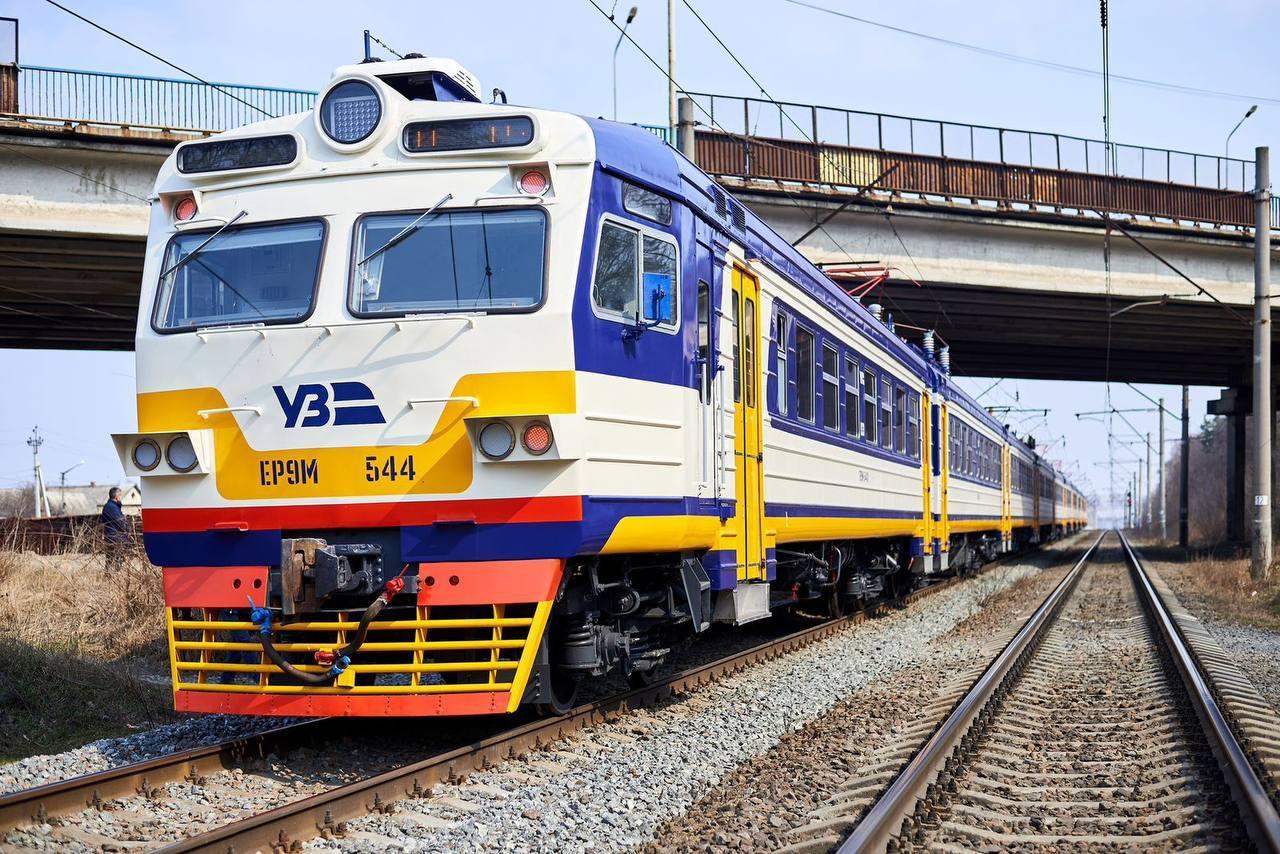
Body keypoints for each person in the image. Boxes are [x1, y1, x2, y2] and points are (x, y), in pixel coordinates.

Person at [101, 487, 129, 570]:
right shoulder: (112, 508)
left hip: (111, 537)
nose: (120, 498)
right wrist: (127, 527)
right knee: (116, 562)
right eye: (120, 496)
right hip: (116, 538)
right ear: (117, 497)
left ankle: (109, 575)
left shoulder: (109, 507)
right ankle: (113, 576)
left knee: (110, 561)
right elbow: (120, 523)